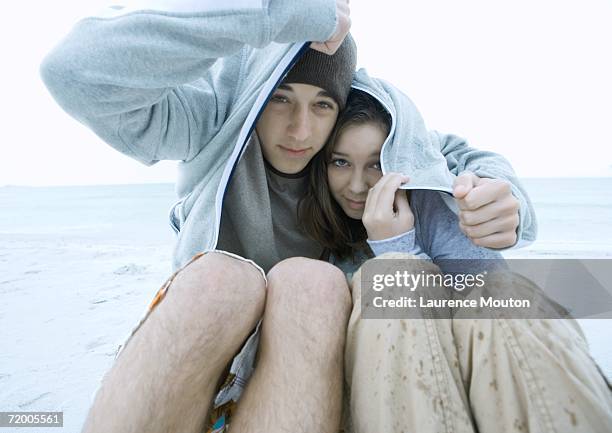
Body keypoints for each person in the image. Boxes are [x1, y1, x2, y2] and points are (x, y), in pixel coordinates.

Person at [40, 1, 539, 432]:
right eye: (281, 99)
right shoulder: (212, 123)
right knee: (222, 277)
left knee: (312, 282)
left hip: (304, 385)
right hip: (203, 357)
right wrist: (272, 12)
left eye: (322, 106)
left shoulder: (357, 161)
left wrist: (507, 199)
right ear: (255, 98)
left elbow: (451, 154)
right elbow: (75, 73)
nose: (301, 129)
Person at [299, 84, 612, 432]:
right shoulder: (309, 232)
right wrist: (395, 248)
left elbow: (475, 162)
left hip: (490, 378)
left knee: (500, 295)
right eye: (341, 162)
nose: (357, 186)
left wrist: (504, 203)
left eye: (376, 164)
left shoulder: (437, 190)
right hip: (393, 398)